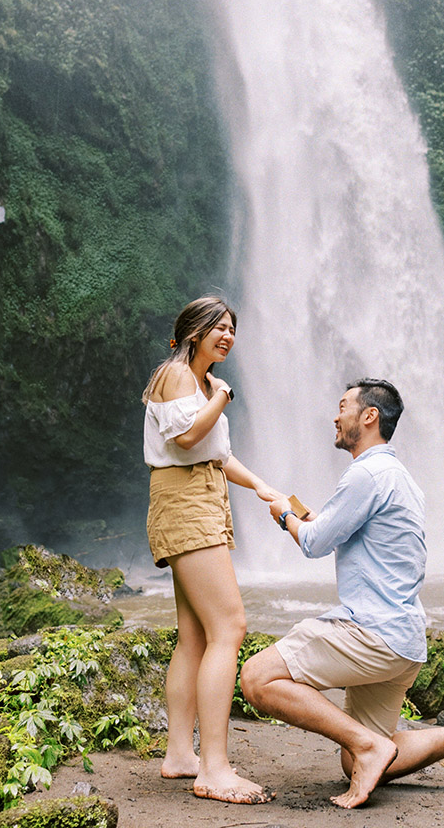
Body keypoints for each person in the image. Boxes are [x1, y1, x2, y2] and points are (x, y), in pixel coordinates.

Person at [240, 378, 444, 809]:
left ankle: (369, 745)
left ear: (369, 416)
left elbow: (313, 543)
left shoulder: (365, 473)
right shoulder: (398, 476)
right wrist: (301, 515)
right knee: (354, 762)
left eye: (343, 405)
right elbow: (339, 531)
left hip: (372, 633)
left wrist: (283, 516)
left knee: (257, 677)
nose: (335, 414)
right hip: (403, 641)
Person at [142, 296, 282, 804]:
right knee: (230, 626)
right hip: (185, 502)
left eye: (231, 328)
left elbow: (217, 455)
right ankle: (215, 768)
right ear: (192, 332)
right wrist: (221, 396)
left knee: (196, 635)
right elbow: (185, 439)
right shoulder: (179, 376)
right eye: (216, 327)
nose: (226, 335)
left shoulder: (199, 384)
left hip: (198, 499)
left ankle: (182, 754)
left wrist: (267, 490)